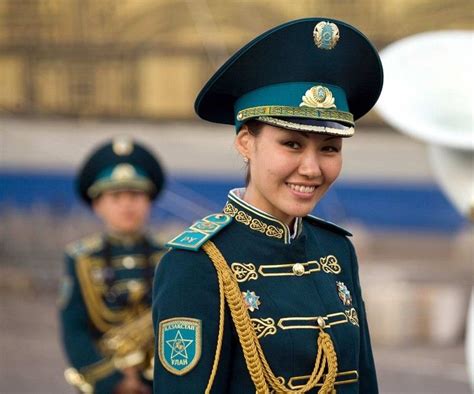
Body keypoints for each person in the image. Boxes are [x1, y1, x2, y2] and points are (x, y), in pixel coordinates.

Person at [152, 17, 383, 393]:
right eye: (291, 144)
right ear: (245, 142)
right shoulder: (196, 264)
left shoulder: (337, 250)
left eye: (329, 149)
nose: (311, 169)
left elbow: (364, 381)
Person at [59, 137, 166, 394]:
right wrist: (113, 381)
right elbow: (74, 329)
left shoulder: (171, 254)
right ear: (97, 204)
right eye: (116, 196)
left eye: (136, 195)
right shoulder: (81, 258)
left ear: (149, 201)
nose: (127, 204)